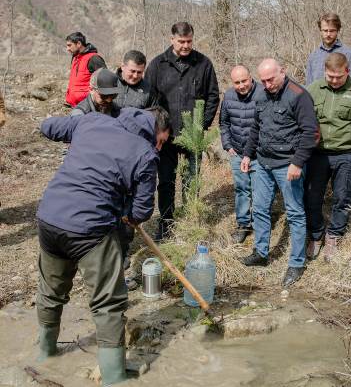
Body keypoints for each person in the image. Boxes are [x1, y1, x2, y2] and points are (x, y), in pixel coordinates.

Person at [35, 106, 171, 386]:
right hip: (90, 229)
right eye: (162, 140)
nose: (160, 147)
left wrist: (78, 126)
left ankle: (45, 357)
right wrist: (130, 217)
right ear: (156, 131)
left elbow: (48, 127)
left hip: (49, 218)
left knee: (50, 292)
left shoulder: (91, 121)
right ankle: (115, 378)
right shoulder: (145, 155)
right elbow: (143, 209)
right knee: (108, 304)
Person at [240, 59, 317, 287]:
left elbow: (310, 133)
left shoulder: (299, 95)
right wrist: (247, 154)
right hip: (263, 162)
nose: (267, 84)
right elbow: (256, 128)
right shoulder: (261, 95)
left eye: (270, 79)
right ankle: (261, 253)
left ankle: (296, 263)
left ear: (282, 72)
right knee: (261, 209)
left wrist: (298, 162)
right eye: (262, 80)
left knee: (294, 212)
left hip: (288, 164)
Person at [144, 22, 220, 241]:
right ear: (172, 40)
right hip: (165, 137)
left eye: (189, 41)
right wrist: (159, 128)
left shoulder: (203, 63)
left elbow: (213, 95)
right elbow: (151, 100)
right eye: (181, 42)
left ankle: (190, 219)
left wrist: (201, 125)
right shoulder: (158, 64)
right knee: (166, 181)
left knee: (191, 179)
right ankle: (166, 223)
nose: (186, 46)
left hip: (192, 135)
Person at [305, 52, 351, 261]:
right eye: (330, 76)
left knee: (342, 197)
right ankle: (316, 235)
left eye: (339, 77)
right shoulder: (313, 90)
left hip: (346, 154)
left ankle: (334, 235)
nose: (334, 81)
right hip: (318, 154)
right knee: (312, 196)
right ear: (324, 72)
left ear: (347, 71)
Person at [219, 65, 266, 243]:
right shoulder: (229, 96)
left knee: (260, 191)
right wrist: (227, 144)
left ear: (251, 77)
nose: (241, 85)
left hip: (259, 153)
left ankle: (260, 223)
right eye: (237, 82)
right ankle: (243, 224)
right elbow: (223, 123)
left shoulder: (263, 93)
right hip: (237, 151)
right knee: (242, 189)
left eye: (244, 81)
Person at [305, 13, 351, 85]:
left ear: (338, 31)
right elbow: (309, 85)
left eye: (332, 31)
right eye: (325, 30)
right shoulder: (313, 56)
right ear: (320, 31)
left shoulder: (348, 54)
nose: (328, 34)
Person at [65, 32, 106, 107]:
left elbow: (105, 81)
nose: (67, 49)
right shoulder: (75, 58)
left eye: (69, 45)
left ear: (79, 44)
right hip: (75, 105)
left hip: (88, 106)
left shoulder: (94, 59)